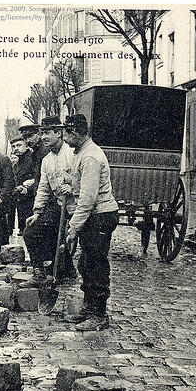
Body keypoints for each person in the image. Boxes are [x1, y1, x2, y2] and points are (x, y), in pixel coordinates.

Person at [62, 114, 119, 331]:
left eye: (67, 135)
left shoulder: (90, 157)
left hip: (100, 216)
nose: (65, 140)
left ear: (75, 133)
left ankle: (99, 314)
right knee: (86, 262)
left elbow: (87, 199)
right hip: (93, 216)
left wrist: (74, 227)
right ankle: (88, 307)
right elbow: (81, 182)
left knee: (95, 264)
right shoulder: (82, 153)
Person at [21, 116, 77, 288]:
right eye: (42, 133)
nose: (43, 137)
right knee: (30, 232)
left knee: (68, 241)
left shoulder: (72, 154)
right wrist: (37, 212)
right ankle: (39, 273)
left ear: (59, 133)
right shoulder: (47, 160)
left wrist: (73, 187)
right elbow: (44, 189)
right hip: (60, 205)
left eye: (47, 133)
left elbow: (86, 181)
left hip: (78, 206)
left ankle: (66, 270)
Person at [10, 134, 36, 235]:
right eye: (14, 146)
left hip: (32, 200)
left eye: (19, 145)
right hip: (21, 201)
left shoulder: (32, 158)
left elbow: (41, 178)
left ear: (26, 144)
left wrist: (29, 189)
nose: (16, 148)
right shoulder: (19, 161)